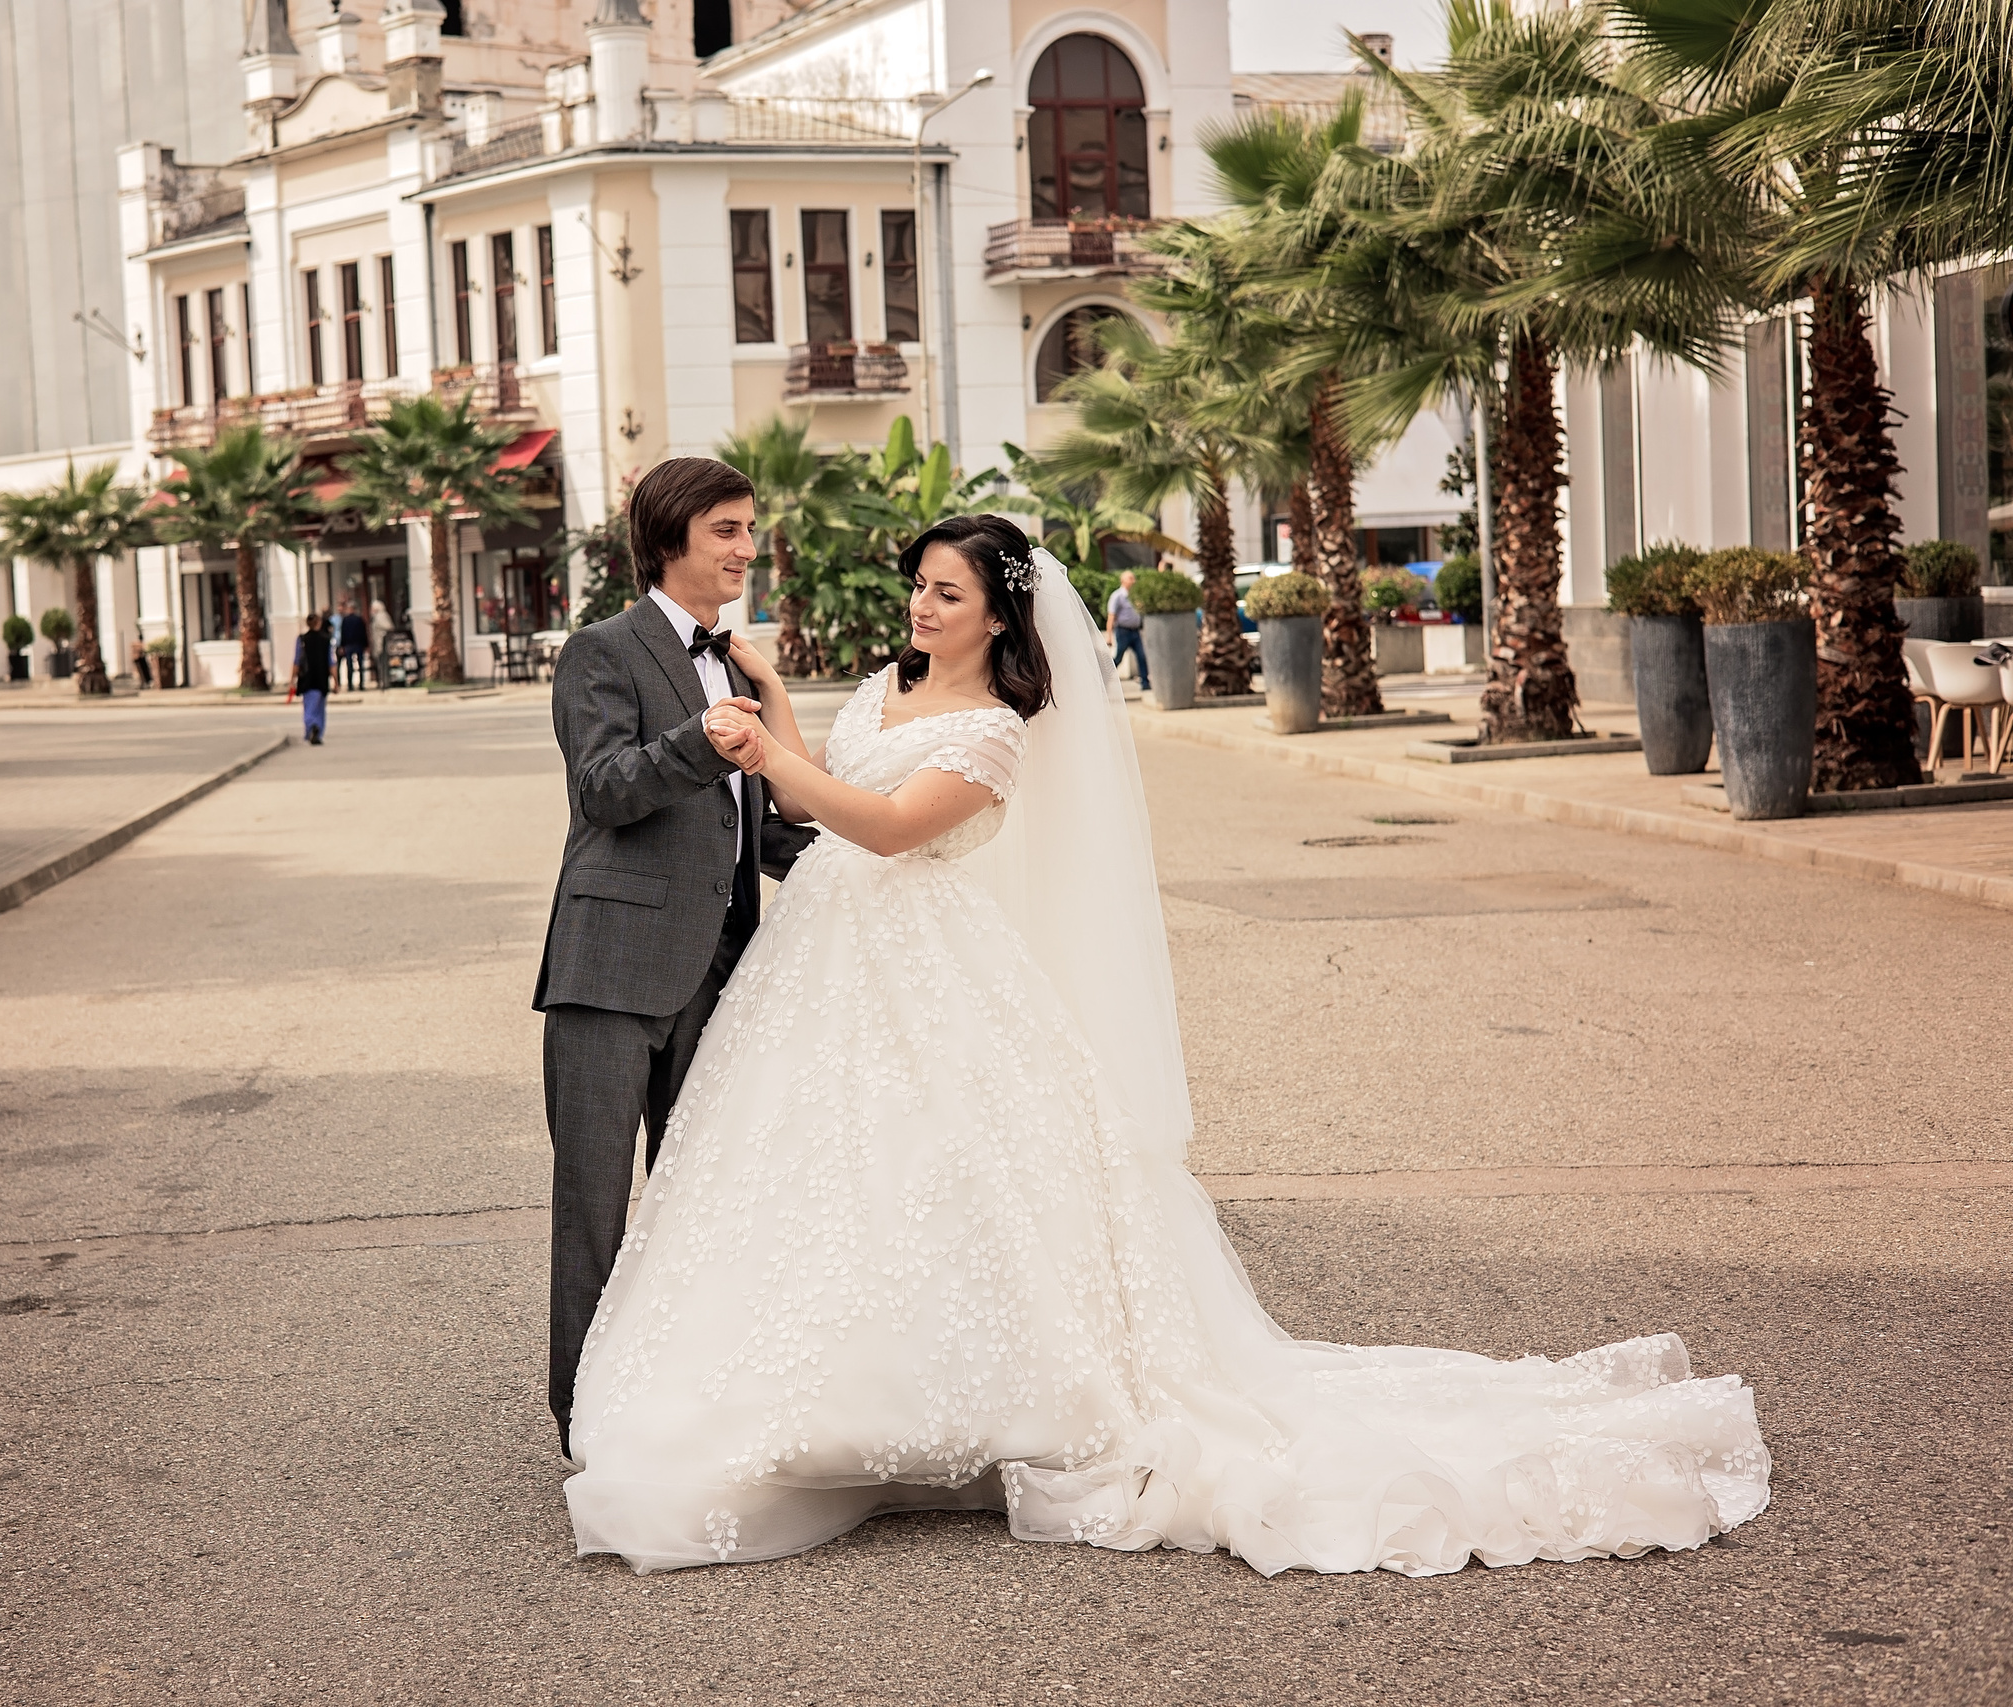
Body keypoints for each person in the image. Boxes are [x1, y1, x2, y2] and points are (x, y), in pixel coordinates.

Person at [560, 514, 1772, 1578]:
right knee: (810, 1176)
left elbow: (879, 829)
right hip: (817, 956)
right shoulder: (884, 689)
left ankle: (977, 1406)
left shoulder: (994, 730)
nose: (921, 608)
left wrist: (770, 756)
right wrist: (778, 715)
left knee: (942, 1169)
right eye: (918, 587)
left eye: (947, 594)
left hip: (916, 955)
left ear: (999, 620)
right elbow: (829, 780)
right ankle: (796, 1392)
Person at [533, 455, 819, 1464]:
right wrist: (703, 739)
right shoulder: (599, 653)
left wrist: (869, 856)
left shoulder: (740, 665)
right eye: (727, 531)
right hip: (610, 971)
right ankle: (587, 1425)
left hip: (719, 974)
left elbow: (757, 830)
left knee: (701, 1204)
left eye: (750, 529)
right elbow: (605, 790)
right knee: (596, 1208)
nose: (748, 548)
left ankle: (681, 1397)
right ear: (670, 539)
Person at [1106, 566, 1149, 691]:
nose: (1133, 581)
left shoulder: (1135, 596)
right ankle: (1105, 680)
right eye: (1131, 578)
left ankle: (1145, 683)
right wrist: (1109, 636)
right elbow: (1111, 616)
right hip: (1123, 631)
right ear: (1123, 580)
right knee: (1118, 657)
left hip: (1135, 631)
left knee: (1141, 656)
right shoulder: (1117, 596)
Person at [292, 612, 332, 744]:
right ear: (319, 623)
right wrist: (336, 681)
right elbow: (331, 662)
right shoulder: (326, 639)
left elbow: (297, 661)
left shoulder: (302, 640)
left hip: (306, 678)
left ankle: (311, 726)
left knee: (308, 706)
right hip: (321, 677)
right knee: (320, 707)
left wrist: (292, 680)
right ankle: (318, 730)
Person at [338, 602, 370, 691]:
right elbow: (364, 633)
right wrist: (366, 645)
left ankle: (350, 685)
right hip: (358, 644)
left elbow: (343, 634)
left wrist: (342, 646)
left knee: (350, 665)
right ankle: (361, 684)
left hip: (349, 645)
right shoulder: (359, 619)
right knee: (360, 664)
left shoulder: (345, 620)